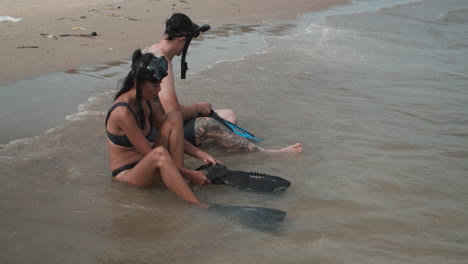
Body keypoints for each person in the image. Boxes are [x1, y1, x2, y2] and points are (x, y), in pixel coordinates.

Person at [144, 13, 302, 154]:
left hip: (159, 122)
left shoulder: (151, 50)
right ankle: (269, 153)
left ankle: (201, 146)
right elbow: (174, 113)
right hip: (158, 131)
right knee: (211, 124)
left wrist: (199, 110)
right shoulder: (161, 62)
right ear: (182, 40)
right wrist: (199, 107)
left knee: (229, 116)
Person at [105, 49, 218, 207]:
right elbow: (150, 154)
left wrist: (202, 155)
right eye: (154, 86)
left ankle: (181, 180)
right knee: (159, 154)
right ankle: (198, 205)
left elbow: (172, 131)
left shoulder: (146, 101)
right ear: (138, 83)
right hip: (129, 176)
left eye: (159, 85)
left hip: (148, 165)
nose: (158, 90)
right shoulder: (122, 112)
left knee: (174, 117)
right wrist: (191, 174)